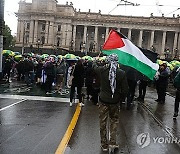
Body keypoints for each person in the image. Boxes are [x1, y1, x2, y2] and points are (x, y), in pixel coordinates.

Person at [93, 54, 128, 151]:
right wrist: (120, 98)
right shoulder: (121, 73)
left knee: (102, 122)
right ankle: (112, 142)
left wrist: (95, 60)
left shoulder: (102, 70)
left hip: (103, 100)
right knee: (114, 121)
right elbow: (125, 90)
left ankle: (104, 144)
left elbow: (94, 67)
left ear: (108, 61)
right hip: (115, 101)